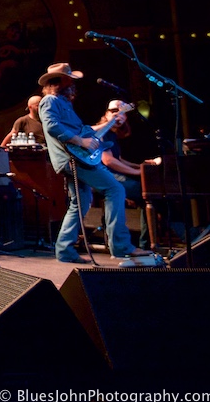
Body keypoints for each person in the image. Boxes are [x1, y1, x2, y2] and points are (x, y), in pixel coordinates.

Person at [36, 63, 152, 263]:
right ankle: (121, 246)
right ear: (60, 81)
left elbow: (85, 131)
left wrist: (108, 123)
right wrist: (81, 141)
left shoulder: (64, 104)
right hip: (71, 158)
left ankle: (64, 250)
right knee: (115, 189)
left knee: (79, 203)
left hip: (74, 157)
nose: (73, 83)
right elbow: (53, 127)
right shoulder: (49, 101)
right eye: (69, 79)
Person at [97, 99, 158, 250]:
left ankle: (147, 244)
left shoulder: (112, 135)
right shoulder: (102, 132)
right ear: (106, 114)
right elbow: (108, 161)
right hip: (103, 177)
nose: (118, 114)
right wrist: (138, 172)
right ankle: (147, 244)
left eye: (122, 112)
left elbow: (118, 159)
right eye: (114, 111)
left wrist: (142, 165)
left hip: (112, 174)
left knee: (151, 194)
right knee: (146, 193)